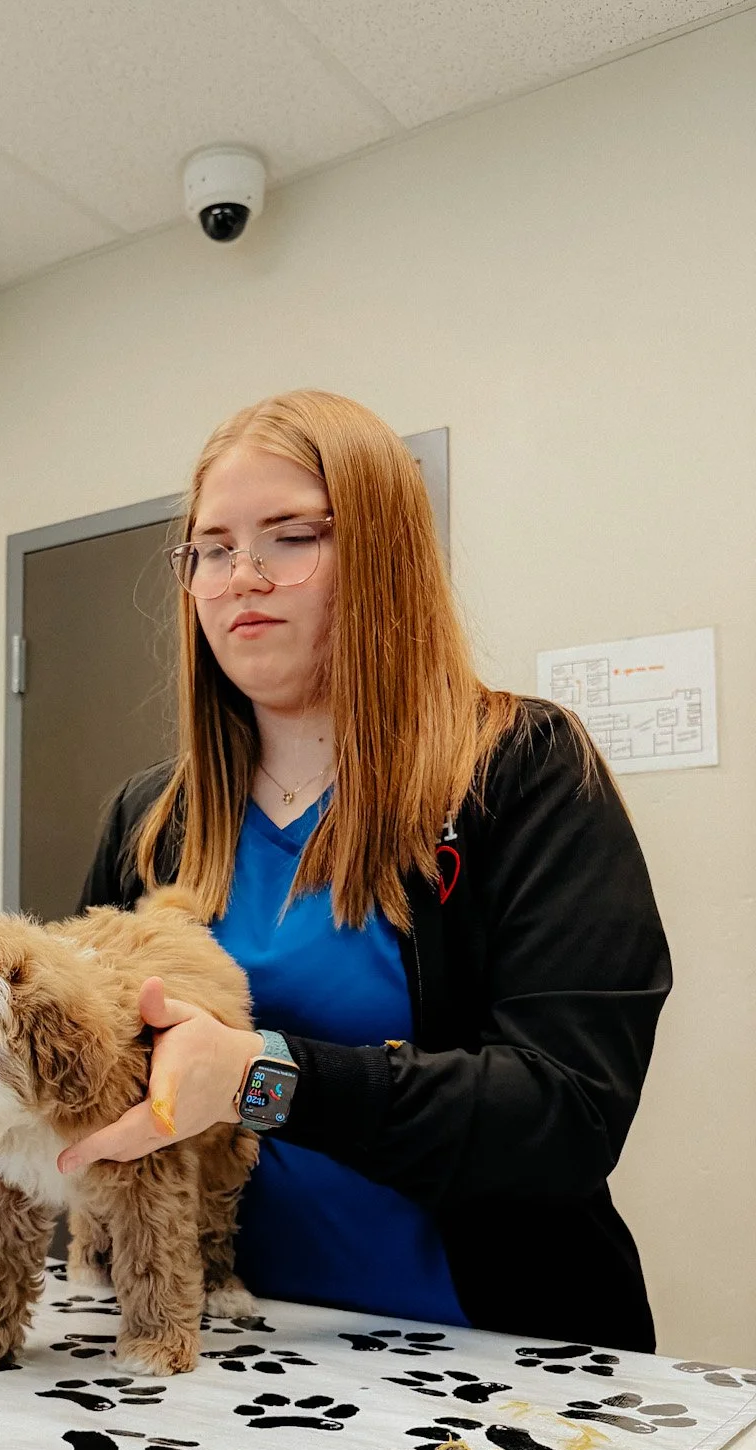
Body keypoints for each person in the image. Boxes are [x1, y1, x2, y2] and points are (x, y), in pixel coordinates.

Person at [66, 388, 670, 1351]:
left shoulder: (523, 770)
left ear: (384, 556)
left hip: (488, 1351)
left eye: (291, 538)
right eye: (212, 550)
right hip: (218, 1346)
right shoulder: (153, 820)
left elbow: (567, 1115)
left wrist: (262, 1078)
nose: (241, 578)